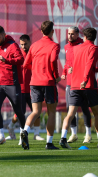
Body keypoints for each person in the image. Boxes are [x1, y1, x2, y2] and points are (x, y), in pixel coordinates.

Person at [59, 28, 98, 149]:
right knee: (97, 113)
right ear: (94, 37)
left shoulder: (75, 48)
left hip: (74, 85)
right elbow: (89, 64)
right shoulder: (94, 48)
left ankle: (63, 138)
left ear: (84, 37)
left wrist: (97, 70)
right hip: (88, 86)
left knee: (70, 113)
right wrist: (86, 79)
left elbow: (75, 64)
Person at [0, 26, 27, 146]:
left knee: (18, 110)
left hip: (12, 83)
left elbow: (21, 59)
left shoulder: (12, 45)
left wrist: (7, 60)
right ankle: (1, 136)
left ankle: (23, 133)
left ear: (4, 35)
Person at [21, 21, 61, 150]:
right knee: (51, 112)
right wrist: (56, 76)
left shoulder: (34, 45)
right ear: (52, 31)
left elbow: (25, 64)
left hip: (34, 82)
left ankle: (25, 131)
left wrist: (37, 69)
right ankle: (49, 143)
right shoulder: (54, 45)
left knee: (36, 111)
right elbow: (53, 60)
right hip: (48, 82)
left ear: (41, 31)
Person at [7, 35, 45, 143]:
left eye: (25, 44)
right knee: (20, 113)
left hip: (33, 87)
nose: (23, 46)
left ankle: (36, 134)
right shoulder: (17, 54)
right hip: (20, 89)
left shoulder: (34, 53)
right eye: (21, 44)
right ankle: (12, 127)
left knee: (36, 111)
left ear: (29, 42)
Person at [61, 26, 96, 144]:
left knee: (85, 109)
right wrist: (64, 72)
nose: (69, 36)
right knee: (69, 110)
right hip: (70, 84)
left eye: (72, 34)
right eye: (68, 33)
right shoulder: (66, 47)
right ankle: (74, 134)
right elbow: (67, 63)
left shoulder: (82, 45)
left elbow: (86, 63)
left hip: (81, 82)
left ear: (77, 35)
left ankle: (88, 134)